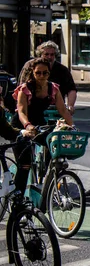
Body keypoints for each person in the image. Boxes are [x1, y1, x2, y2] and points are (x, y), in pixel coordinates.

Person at [12, 58, 74, 193]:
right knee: (25, 164)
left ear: (49, 73)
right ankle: (18, 197)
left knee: (53, 141)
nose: (41, 76)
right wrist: (27, 126)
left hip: (39, 123)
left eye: (44, 73)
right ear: (33, 73)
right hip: (20, 125)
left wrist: (72, 126)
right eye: (38, 73)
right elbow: (21, 112)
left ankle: (47, 175)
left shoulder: (53, 88)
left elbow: (63, 110)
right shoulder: (25, 89)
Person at [19, 41, 77, 115]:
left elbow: (71, 89)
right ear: (40, 55)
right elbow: (21, 87)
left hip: (55, 108)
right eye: (46, 54)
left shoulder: (62, 70)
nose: (49, 57)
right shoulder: (29, 66)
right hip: (32, 107)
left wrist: (70, 106)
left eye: (52, 54)